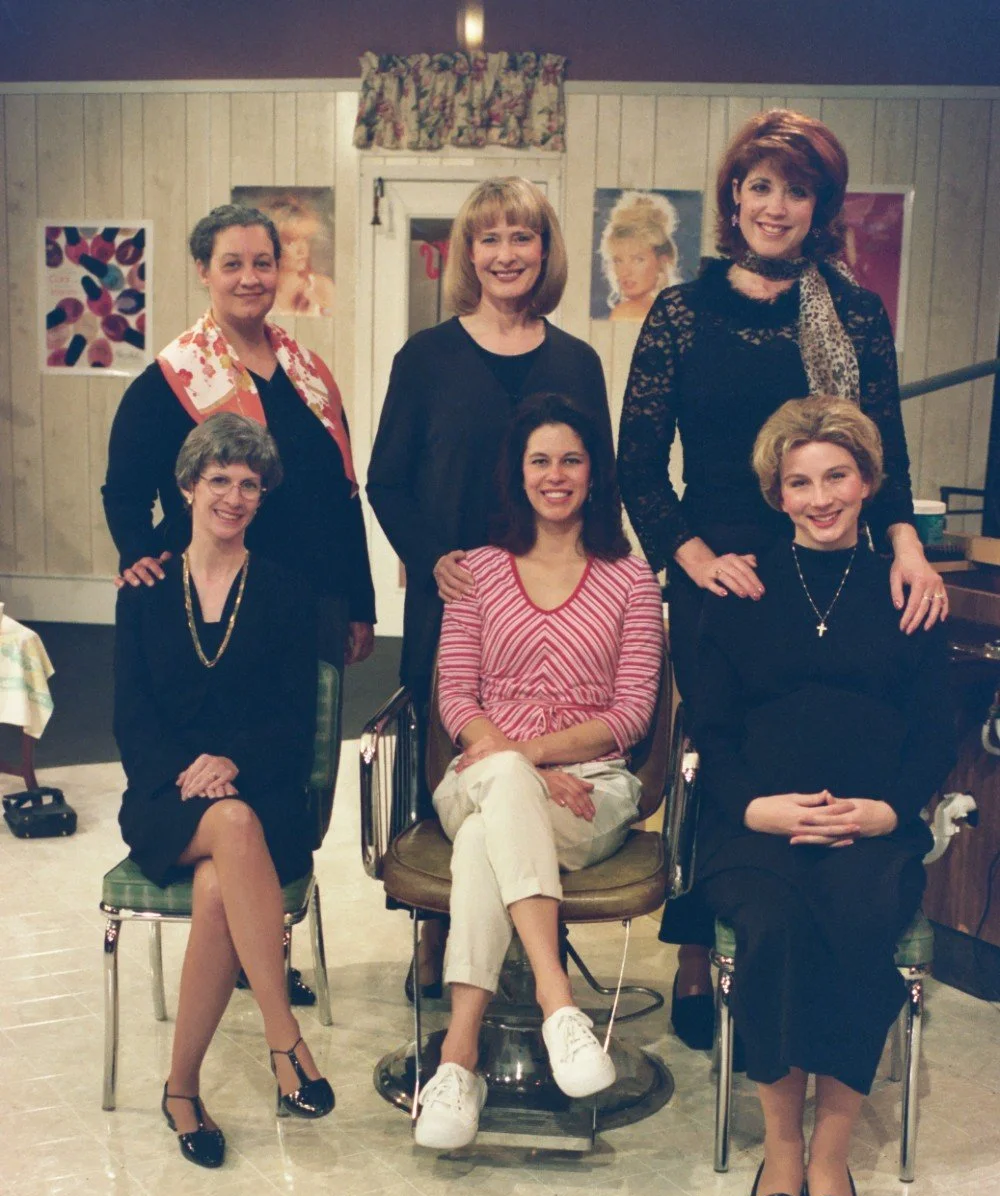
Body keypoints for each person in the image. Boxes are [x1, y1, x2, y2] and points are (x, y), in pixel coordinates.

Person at [617, 108, 947, 1051]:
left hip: (833, 554)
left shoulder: (852, 312)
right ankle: (698, 947)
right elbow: (639, 463)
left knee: (819, 723)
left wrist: (909, 549)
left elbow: (884, 449)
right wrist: (694, 558)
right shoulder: (683, 313)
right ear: (733, 197)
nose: (775, 205)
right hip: (717, 569)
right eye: (759, 186)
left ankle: (823, 911)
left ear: (819, 206)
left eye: (795, 189)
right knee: (717, 745)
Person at [690, 396, 953, 1196]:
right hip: (757, 825)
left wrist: (889, 809)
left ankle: (833, 1157)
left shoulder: (905, 590)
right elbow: (712, 728)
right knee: (770, 924)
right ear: (776, 494)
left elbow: (934, 727)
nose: (819, 496)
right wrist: (753, 807)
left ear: (870, 481)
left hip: (871, 825)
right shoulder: (743, 588)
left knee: (862, 914)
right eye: (798, 481)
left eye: (836, 475)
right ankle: (783, 1150)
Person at [103, 201, 375, 1005]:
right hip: (213, 603)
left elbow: (339, 494)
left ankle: (265, 945)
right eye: (234, 264)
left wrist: (357, 601)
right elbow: (126, 490)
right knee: (216, 754)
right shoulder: (172, 376)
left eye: (264, 262)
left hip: (301, 606)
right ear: (205, 272)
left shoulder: (306, 370)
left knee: (285, 756)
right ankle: (262, 961)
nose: (252, 277)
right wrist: (145, 562)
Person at [367, 176, 614, 999]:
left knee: (548, 748)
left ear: (546, 251)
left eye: (523, 237)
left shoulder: (577, 360)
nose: (506, 254)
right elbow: (386, 480)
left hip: (558, 597)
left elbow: (598, 483)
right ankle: (435, 933)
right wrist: (431, 553)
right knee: (449, 756)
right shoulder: (426, 358)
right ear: (467, 254)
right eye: (490, 238)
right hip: (459, 601)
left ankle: (530, 940)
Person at [412, 394, 663, 1150]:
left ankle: (460, 1058)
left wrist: (531, 758)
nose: (556, 475)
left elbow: (632, 715)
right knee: (500, 795)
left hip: (590, 790)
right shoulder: (477, 574)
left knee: (485, 833)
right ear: (517, 475)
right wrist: (515, 764)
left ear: (595, 474)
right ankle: (562, 1008)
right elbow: (456, 695)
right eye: (540, 461)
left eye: (572, 460)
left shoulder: (632, 582)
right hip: (483, 768)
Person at [114, 414, 335, 1169]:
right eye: (220, 480)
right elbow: (131, 719)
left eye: (249, 484)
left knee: (223, 869)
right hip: (163, 794)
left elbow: (293, 721)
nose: (235, 496)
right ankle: (285, 1040)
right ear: (187, 487)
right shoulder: (143, 592)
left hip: (260, 788)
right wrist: (190, 773)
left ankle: (181, 1090)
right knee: (227, 826)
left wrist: (228, 760)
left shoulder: (284, 592)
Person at [600, 191, 681, 322]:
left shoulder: (626, 312)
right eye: (618, 260)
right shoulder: (677, 312)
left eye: (638, 260)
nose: (624, 272)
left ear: (662, 261)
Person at [268, 195, 336, 318]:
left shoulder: (323, 288)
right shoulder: (256, 293)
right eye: (291, 242)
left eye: (305, 240)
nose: (302, 250)